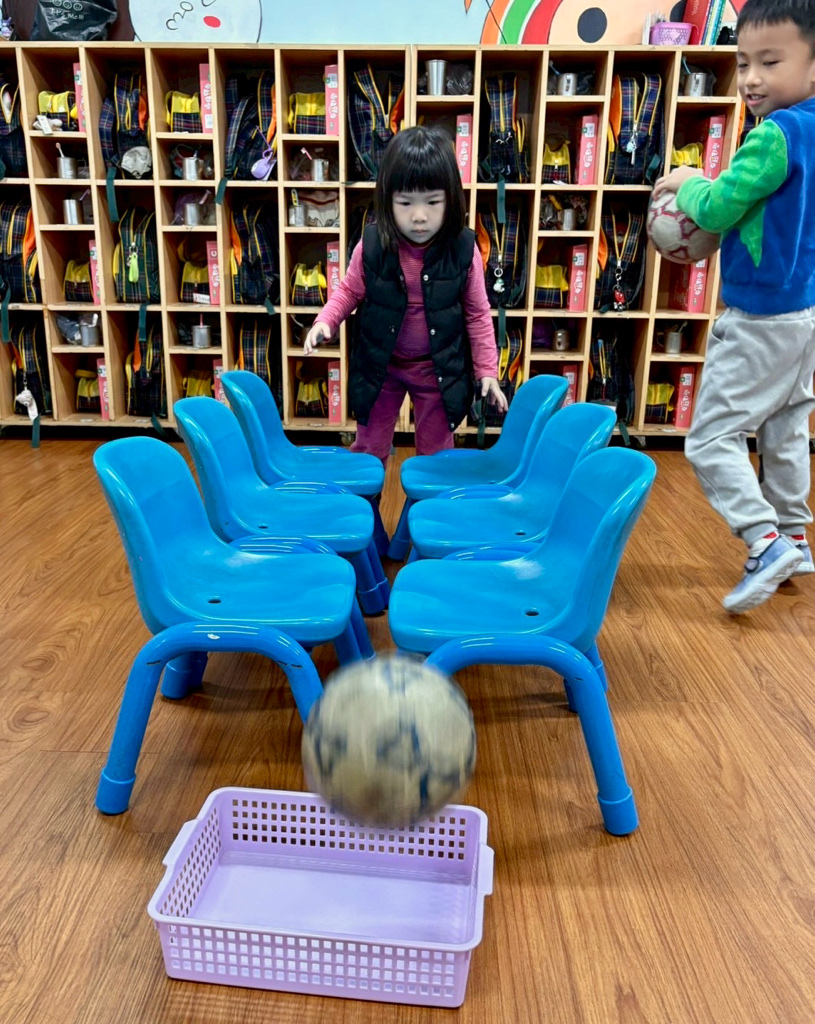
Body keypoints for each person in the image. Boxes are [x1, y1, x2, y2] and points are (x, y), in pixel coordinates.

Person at [653, 0, 815, 614]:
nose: (750, 78)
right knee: (785, 428)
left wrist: (686, 179)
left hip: (760, 317)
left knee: (710, 437)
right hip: (805, 314)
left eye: (770, 62)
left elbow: (719, 206)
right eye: (743, 62)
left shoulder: (774, 134)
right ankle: (796, 535)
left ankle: (764, 542)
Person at [303, 125, 507, 465]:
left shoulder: (463, 249)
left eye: (433, 202)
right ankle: (365, 497)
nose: (419, 216)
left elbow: (477, 313)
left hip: (437, 368)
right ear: (387, 200)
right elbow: (349, 290)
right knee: (369, 450)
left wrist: (487, 370)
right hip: (381, 365)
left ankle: (431, 499)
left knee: (437, 458)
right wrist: (326, 321)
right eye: (405, 203)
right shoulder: (372, 244)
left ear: (451, 199)